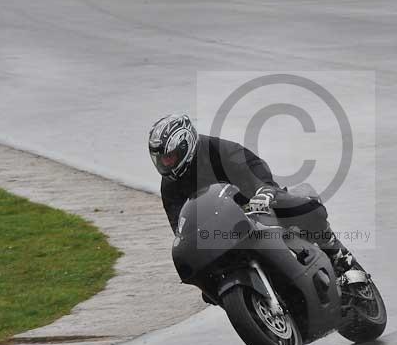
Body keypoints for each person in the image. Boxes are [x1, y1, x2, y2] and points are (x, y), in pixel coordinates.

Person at [148, 113, 355, 273]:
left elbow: (250, 165)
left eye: (169, 157)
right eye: (161, 159)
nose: (165, 164)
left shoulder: (215, 149)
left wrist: (264, 189)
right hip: (224, 230)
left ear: (186, 145)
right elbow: (181, 226)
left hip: (255, 202)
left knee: (298, 210)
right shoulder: (169, 186)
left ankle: (336, 253)